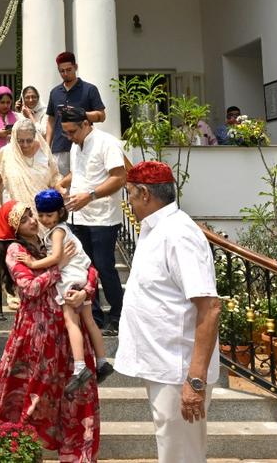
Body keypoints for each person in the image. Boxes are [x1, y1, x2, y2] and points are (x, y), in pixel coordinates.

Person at [114, 161, 221, 463]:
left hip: (180, 370)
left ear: (145, 193)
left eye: (130, 194)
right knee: (173, 450)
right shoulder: (156, 230)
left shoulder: (178, 234)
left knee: (181, 456)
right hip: (164, 364)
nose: (129, 202)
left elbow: (210, 308)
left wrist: (195, 380)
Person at [0, 200, 100, 462]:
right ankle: (22, 455)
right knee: (28, 399)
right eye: (25, 219)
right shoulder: (15, 250)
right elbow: (30, 288)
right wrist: (58, 267)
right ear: (14, 228)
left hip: (67, 332)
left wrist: (85, 290)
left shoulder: (52, 237)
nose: (33, 221)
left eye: (31, 215)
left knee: (71, 398)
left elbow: (88, 268)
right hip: (36, 335)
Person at [19, 189, 113, 394]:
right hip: (80, 276)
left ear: (60, 212)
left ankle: (79, 367)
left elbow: (56, 258)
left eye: (49, 215)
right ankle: (103, 361)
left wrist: (33, 263)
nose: (44, 219)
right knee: (89, 321)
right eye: (41, 215)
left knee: (72, 323)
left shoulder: (58, 231)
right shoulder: (63, 229)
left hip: (69, 279)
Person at [58, 106, 128, 335]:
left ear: (86, 124)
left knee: (105, 268)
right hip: (78, 217)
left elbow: (120, 177)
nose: (69, 137)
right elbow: (79, 174)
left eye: (72, 132)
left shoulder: (107, 142)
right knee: (84, 268)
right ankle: (94, 317)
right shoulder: (75, 144)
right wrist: (62, 183)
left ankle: (118, 316)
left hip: (103, 218)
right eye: (65, 132)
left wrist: (90, 196)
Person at [45, 53, 106, 177]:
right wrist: (47, 146)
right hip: (60, 148)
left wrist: (83, 114)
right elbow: (51, 121)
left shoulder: (89, 89)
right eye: (62, 71)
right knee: (61, 187)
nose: (65, 74)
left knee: (84, 181)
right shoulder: (55, 92)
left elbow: (102, 116)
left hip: (84, 146)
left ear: (76, 67)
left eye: (69, 70)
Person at [0, 119, 61, 207]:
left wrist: (60, 188)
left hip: (41, 211)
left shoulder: (44, 152)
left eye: (29, 141)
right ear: (14, 138)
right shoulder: (6, 153)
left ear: (35, 137)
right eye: (20, 141)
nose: (25, 145)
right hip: (14, 211)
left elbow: (55, 178)